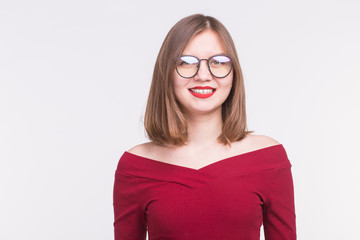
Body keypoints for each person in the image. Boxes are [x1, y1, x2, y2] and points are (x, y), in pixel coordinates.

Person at [113, 14, 296, 240]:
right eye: (187, 63)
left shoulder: (269, 158)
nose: (203, 75)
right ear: (167, 74)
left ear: (234, 73)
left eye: (218, 62)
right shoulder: (135, 166)